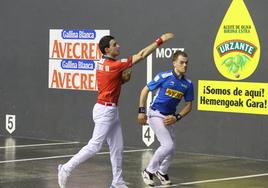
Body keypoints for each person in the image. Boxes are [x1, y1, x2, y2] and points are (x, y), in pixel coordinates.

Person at [57, 32, 174, 188]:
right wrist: (160, 41)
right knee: (95, 146)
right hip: (105, 111)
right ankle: (65, 168)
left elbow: (111, 82)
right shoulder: (115, 65)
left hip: (110, 110)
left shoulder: (103, 64)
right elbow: (141, 55)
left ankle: (117, 181)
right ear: (106, 50)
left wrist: (121, 80)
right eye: (114, 45)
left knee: (117, 148)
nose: (118, 46)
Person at [137, 50, 193, 186]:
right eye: (181, 62)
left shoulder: (188, 84)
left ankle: (161, 171)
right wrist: (141, 111)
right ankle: (148, 171)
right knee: (167, 145)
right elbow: (145, 90)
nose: (185, 65)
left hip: (169, 117)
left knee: (172, 148)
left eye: (186, 63)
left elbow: (189, 105)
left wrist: (177, 117)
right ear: (174, 63)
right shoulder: (164, 76)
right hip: (155, 114)